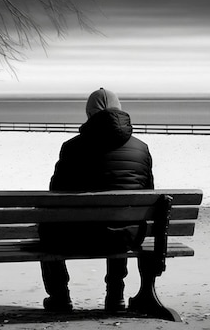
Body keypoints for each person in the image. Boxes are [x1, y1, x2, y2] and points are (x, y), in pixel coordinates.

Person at [39, 88, 154, 313]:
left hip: (80, 235)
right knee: (123, 218)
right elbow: (147, 191)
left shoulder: (72, 147)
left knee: (46, 226)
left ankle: (60, 296)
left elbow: (56, 191)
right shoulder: (141, 148)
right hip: (127, 235)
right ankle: (115, 296)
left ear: (90, 114)